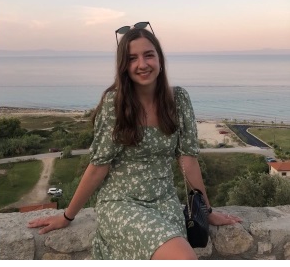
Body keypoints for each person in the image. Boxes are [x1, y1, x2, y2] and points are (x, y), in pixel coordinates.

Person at [28, 21, 242, 260]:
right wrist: (67, 216)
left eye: (148, 55)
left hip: (165, 204)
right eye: (132, 58)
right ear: (124, 66)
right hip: (122, 203)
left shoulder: (179, 100)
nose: (142, 64)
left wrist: (206, 211)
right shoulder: (115, 104)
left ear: (159, 59)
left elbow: (188, 160)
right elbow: (98, 167)